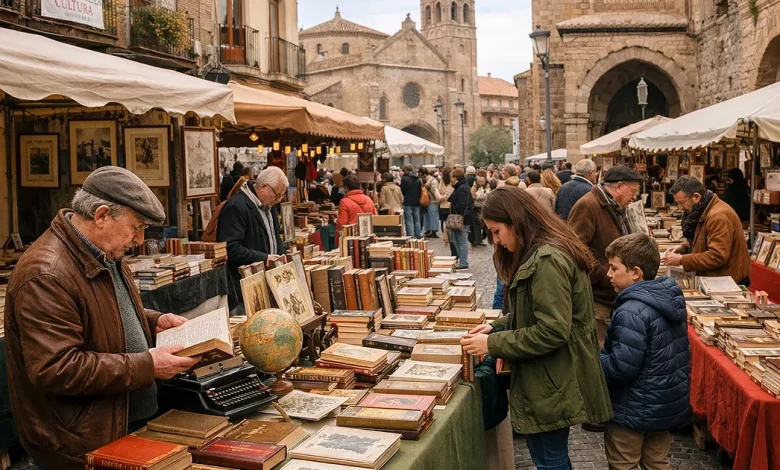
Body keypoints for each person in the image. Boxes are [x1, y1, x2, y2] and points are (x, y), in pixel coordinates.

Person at [5, 167, 199, 470]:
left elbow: (101, 313)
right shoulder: (46, 273)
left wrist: (151, 322)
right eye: (136, 227)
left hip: (122, 426)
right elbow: (57, 369)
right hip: (80, 443)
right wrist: (148, 364)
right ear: (101, 215)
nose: (138, 239)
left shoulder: (101, 252)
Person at [462, 187, 612, 469]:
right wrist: (495, 327)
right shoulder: (545, 251)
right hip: (552, 376)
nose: (496, 241)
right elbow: (531, 313)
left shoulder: (547, 260)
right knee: (549, 457)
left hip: (552, 378)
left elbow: (552, 330)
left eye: (497, 232)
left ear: (516, 222)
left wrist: (492, 344)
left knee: (549, 459)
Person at [601, 233, 690, 470]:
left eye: (613, 268)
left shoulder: (631, 311)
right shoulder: (669, 300)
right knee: (657, 463)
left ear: (636, 272)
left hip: (631, 408)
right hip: (662, 407)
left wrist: (598, 362)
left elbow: (622, 367)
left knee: (624, 463)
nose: (608, 274)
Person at [568, 166, 643, 348]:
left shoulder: (613, 206)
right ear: (619, 186)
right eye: (632, 191)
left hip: (612, 293)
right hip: (599, 296)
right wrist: (604, 274)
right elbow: (574, 248)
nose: (633, 196)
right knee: (601, 351)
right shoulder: (589, 205)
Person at [218, 166, 288, 311]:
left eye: (281, 196)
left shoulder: (270, 207)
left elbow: (275, 238)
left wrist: (282, 256)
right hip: (244, 289)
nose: (279, 199)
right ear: (263, 187)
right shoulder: (236, 206)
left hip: (267, 283)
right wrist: (265, 258)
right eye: (277, 195)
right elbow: (231, 249)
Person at [661, 175, 751, 284]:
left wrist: (681, 259)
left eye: (682, 203)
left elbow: (717, 256)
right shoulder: (704, 209)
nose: (680, 208)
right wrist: (683, 248)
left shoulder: (718, 217)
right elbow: (705, 240)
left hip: (728, 281)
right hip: (719, 278)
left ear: (696, 197)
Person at [448, 168, 475, 269]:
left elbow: (463, 204)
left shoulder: (462, 188)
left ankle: (463, 262)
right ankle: (461, 260)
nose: (450, 179)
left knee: (462, 240)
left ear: (455, 178)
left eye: (452, 177)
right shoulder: (460, 187)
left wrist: (455, 211)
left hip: (462, 219)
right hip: (460, 218)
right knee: (456, 240)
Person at [439, 167, 457, 257]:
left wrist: (443, 196)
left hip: (443, 206)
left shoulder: (442, 183)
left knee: (445, 225)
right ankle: (450, 240)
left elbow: (439, 192)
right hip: (450, 206)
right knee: (451, 228)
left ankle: (447, 238)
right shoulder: (453, 184)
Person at [400, 164, 423, 238]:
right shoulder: (418, 179)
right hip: (417, 201)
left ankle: (410, 236)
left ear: (405, 170)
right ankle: (418, 235)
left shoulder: (404, 178)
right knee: (417, 219)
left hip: (407, 202)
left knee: (409, 220)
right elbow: (420, 191)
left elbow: (402, 190)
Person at [470, 170, 491, 246]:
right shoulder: (487, 184)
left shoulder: (475, 184)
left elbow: (473, 195)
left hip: (476, 206)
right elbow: (488, 194)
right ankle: (481, 238)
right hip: (483, 205)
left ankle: (477, 240)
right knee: (483, 223)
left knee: (477, 224)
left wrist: (477, 196)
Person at [424, 169, 442, 238]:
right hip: (433, 201)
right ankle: (433, 231)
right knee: (434, 216)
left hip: (427, 200)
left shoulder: (426, 180)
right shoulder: (433, 181)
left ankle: (428, 229)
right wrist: (438, 198)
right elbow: (434, 191)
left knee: (427, 216)